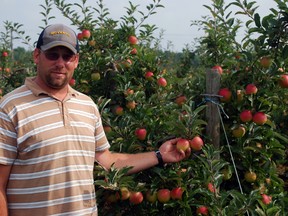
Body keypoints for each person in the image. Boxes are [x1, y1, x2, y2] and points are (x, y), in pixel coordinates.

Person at [0, 24, 191, 216]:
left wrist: (159, 155)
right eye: (52, 55)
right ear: (36, 55)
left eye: (67, 56)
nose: (60, 63)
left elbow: (106, 160)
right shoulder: (11, 107)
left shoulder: (87, 106)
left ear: (76, 61)